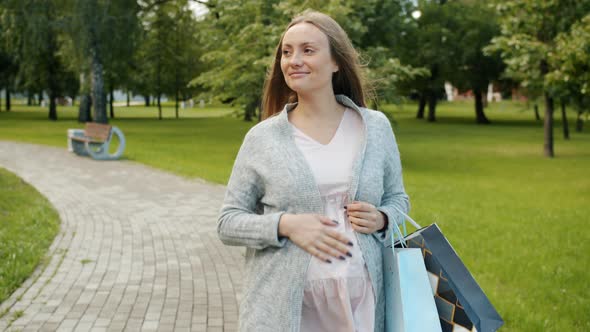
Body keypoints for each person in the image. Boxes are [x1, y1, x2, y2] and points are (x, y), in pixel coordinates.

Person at [218, 10, 409, 332]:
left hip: (361, 305)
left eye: (308, 50)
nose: (294, 60)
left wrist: (383, 218)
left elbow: (397, 198)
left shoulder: (374, 127)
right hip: (285, 310)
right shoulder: (263, 138)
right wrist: (286, 225)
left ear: (336, 61)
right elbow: (228, 222)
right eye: (287, 51)